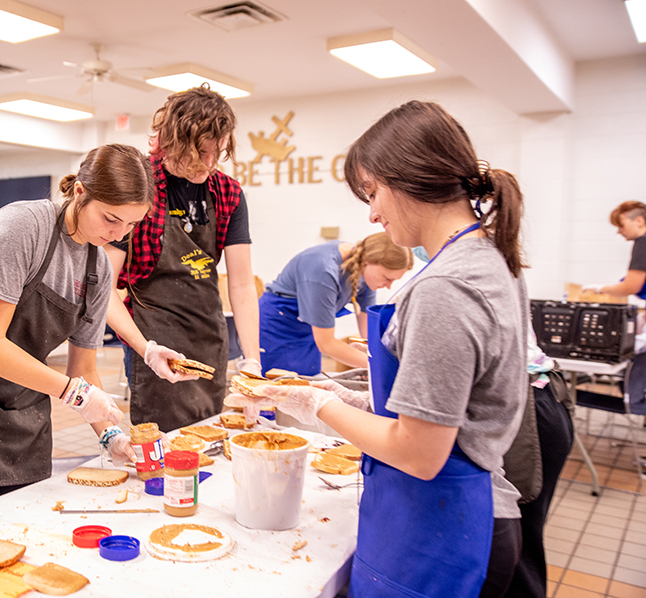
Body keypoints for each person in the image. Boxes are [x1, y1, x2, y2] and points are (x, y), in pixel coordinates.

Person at [230, 100, 528, 598]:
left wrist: (317, 404)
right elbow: (442, 411)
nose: (371, 213)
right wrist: (340, 396)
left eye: (372, 192)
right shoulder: (487, 258)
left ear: (411, 177)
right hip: (453, 513)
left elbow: (420, 451)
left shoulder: (445, 287)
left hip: (442, 527)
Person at [0, 144, 152, 523]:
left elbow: (83, 369)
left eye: (132, 225)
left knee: (24, 548)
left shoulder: (98, 269)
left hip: (22, 423)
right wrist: (75, 394)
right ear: (80, 193)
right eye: (110, 219)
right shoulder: (23, 228)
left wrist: (110, 436)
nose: (119, 234)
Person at [105, 84, 261, 433]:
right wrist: (145, 350)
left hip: (208, 332)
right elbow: (104, 287)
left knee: (212, 432)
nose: (208, 164)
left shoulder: (228, 194)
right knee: (163, 441)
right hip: (153, 334)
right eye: (198, 153)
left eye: (216, 153)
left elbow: (240, 282)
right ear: (169, 143)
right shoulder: (139, 185)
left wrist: (252, 359)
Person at [259, 232, 412, 376]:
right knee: (274, 391)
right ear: (369, 262)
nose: (388, 286)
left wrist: (382, 355)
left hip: (308, 331)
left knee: (304, 385)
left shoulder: (365, 272)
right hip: (277, 327)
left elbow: (368, 332)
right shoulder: (323, 269)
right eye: (387, 278)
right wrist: (378, 365)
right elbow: (327, 344)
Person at [503, 327, 574, 598]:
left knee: (516, 549)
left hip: (527, 415)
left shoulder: (445, 287)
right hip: (540, 399)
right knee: (519, 543)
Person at [585, 200, 646, 298]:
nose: (618, 231)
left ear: (639, 221)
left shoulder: (643, 242)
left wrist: (599, 289)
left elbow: (630, 287)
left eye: (621, 226)